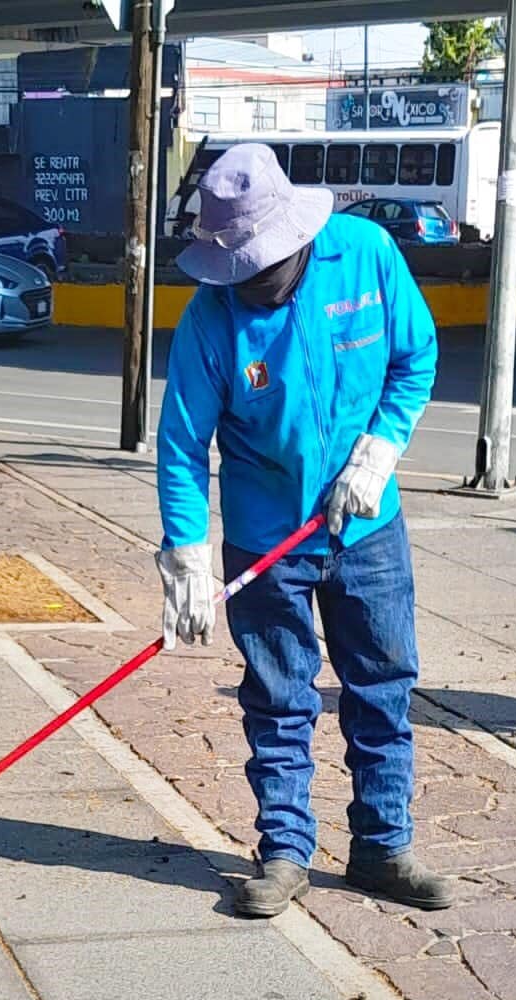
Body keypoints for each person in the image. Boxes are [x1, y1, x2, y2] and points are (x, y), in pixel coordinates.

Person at [155, 142, 452, 919]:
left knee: (382, 690)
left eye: (260, 267)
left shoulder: (368, 256)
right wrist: (186, 554)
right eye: (236, 272)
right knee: (281, 699)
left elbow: (414, 361)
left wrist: (378, 452)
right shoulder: (210, 320)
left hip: (367, 530)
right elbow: (184, 445)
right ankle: (285, 850)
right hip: (267, 539)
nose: (249, 284)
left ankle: (382, 846)